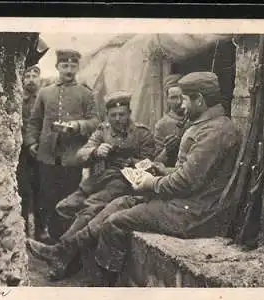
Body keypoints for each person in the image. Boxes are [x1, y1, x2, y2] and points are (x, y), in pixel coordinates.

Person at [26, 72, 242, 286]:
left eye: (184, 99)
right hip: (185, 202)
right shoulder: (208, 126)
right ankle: (62, 252)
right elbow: (188, 174)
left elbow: (185, 182)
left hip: (194, 213)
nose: (180, 106)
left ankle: (104, 284)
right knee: (119, 203)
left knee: (115, 222)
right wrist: (160, 169)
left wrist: (151, 182)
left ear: (200, 100)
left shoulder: (214, 131)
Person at [27, 91, 156, 280]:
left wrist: (131, 162)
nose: (118, 119)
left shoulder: (142, 133)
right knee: (64, 208)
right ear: (107, 116)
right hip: (99, 180)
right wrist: (96, 151)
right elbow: (81, 154)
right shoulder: (103, 131)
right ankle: (69, 258)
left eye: (122, 114)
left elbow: (149, 164)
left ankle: (61, 254)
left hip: (124, 183)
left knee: (89, 208)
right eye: (113, 115)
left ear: (129, 112)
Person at [25, 49, 100, 242]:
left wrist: (77, 126)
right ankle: (41, 234)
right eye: (65, 65)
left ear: (77, 67)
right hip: (47, 155)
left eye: (73, 66)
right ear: (58, 67)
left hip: (72, 156)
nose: (69, 70)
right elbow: (35, 121)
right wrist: (32, 142)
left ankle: (63, 237)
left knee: (68, 198)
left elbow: (94, 121)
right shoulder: (45, 92)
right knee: (44, 196)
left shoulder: (85, 93)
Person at [16, 65, 43, 239]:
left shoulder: (44, 98)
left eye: (35, 75)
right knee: (24, 191)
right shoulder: (18, 98)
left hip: (41, 151)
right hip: (22, 153)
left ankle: (40, 232)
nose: (31, 79)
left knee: (41, 190)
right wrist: (29, 143)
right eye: (28, 75)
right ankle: (23, 231)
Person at [153, 74, 189, 167]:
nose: (179, 102)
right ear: (167, 100)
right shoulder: (162, 125)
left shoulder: (194, 119)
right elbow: (156, 161)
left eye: (182, 97)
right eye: (174, 97)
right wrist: (167, 149)